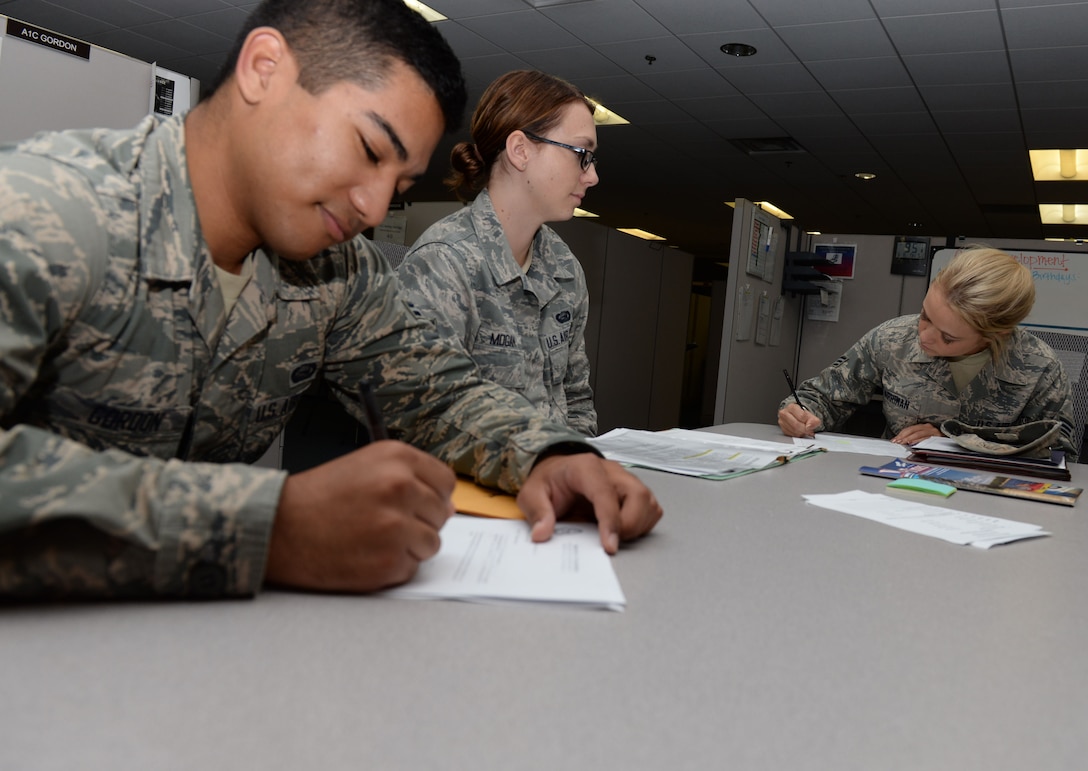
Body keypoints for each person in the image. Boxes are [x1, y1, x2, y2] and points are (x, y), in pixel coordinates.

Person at [0, 0, 662, 601]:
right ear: (265, 69)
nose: (374, 206)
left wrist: (550, 453)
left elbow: (435, 389)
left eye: (397, 182)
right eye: (369, 148)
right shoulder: (41, 212)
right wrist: (269, 525)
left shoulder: (336, 271)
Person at [397, 70, 599, 436]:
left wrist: (576, 466)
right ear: (520, 150)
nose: (592, 175)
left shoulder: (565, 268)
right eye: (582, 154)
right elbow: (423, 424)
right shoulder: (444, 263)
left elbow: (576, 398)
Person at [777, 246, 1077, 460]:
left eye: (948, 337)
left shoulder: (1039, 367)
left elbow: (1058, 451)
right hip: (893, 485)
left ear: (995, 335)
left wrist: (956, 441)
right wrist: (800, 412)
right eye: (925, 315)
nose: (923, 336)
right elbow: (826, 396)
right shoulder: (894, 338)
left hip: (990, 503)